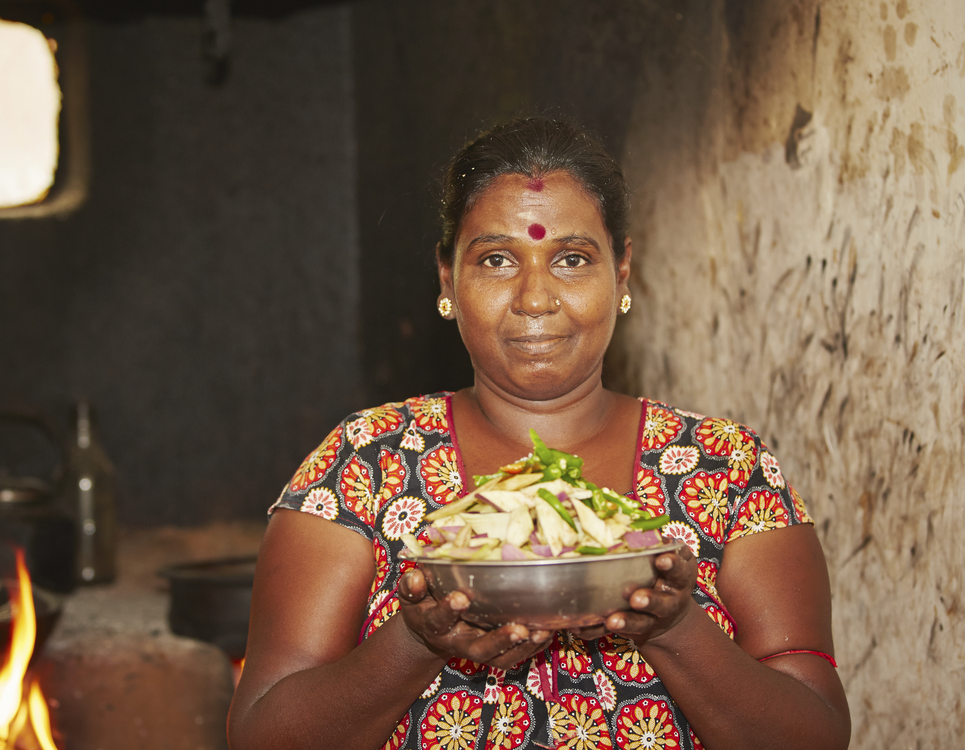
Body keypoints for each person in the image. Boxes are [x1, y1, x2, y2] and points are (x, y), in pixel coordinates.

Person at [227, 118, 850, 750]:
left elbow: (817, 735)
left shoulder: (725, 470)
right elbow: (261, 734)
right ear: (447, 280)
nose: (534, 297)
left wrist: (675, 628)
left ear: (623, 272)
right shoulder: (365, 461)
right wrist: (415, 642)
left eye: (572, 259)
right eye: (497, 260)